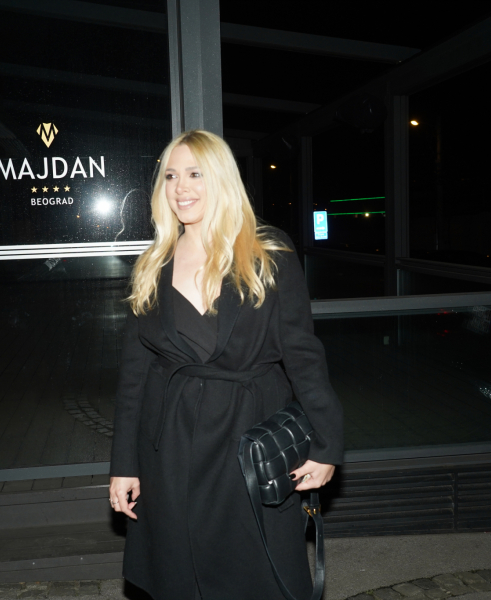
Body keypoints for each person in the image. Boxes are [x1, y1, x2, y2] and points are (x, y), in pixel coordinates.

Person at [109, 130, 343, 600]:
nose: (181, 187)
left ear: (220, 178)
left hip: (249, 437)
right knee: (181, 571)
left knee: (255, 574)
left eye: (195, 174)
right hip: (171, 445)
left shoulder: (266, 252)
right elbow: (134, 375)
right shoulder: (153, 264)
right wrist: (124, 465)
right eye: (171, 176)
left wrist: (327, 443)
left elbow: (303, 355)